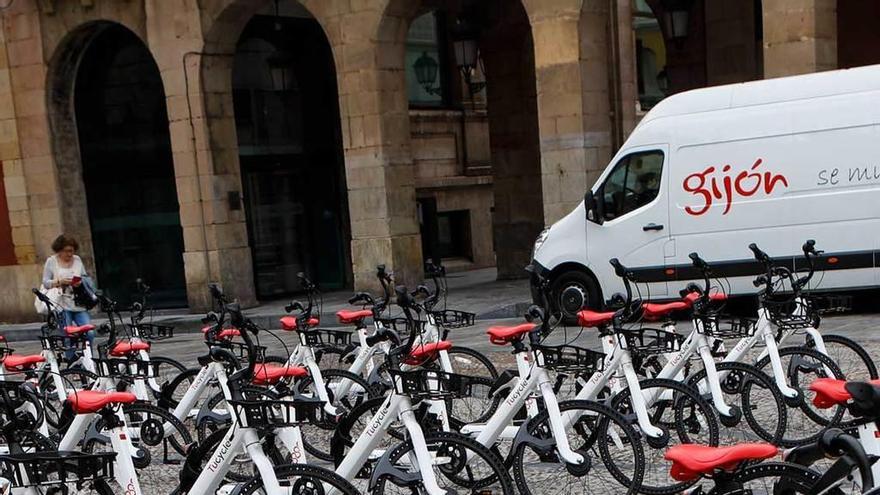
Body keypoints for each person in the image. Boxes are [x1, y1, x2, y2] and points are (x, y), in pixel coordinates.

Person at [42, 234, 95, 361]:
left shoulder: (77, 260)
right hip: (62, 304)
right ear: (59, 250)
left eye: (72, 250)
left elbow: (85, 277)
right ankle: (73, 362)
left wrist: (80, 282)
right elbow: (45, 282)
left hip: (78, 303)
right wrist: (60, 282)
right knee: (68, 335)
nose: (70, 254)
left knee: (89, 333)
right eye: (67, 251)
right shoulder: (52, 261)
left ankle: (89, 360)